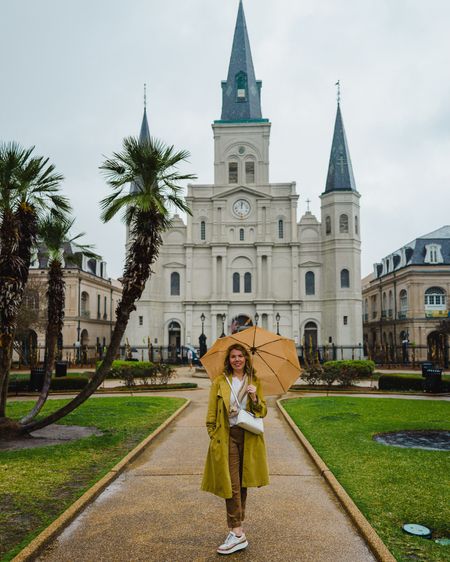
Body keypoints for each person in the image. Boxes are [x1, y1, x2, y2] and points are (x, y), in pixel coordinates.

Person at [201, 343, 269, 555]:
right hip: (227, 437)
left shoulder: (254, 381)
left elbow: (263, 411)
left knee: (243, 482)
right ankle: (238, 531)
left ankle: (236, 530)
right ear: (228, 360)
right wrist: (214, 436)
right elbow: (211, 414)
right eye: (233, 357)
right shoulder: (220, 382)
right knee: (231, 484)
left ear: (246, 359)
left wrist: (255, 397)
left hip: (248, 438)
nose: (237, 359)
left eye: (240, 356)